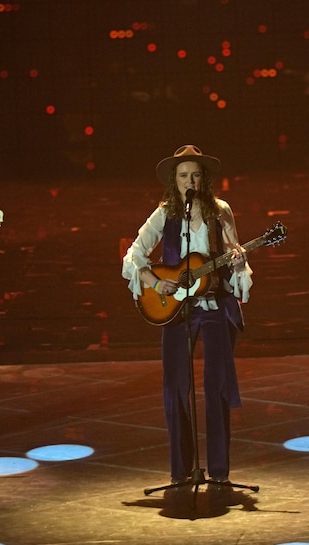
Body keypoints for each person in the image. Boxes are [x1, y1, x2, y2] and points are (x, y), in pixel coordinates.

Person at [122, 145, 251, 487]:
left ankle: (220, 471)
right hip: (177, 310)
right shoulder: (165, 213)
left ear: (203, 179)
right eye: (183, 175)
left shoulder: (220, 211)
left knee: (217, 386)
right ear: (174, 181)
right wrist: (154, 281)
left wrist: (239, 263)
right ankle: (181, 470)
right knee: (176, 386)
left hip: (213, 306)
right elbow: (133, 253)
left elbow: (235, 256)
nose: (189, 180)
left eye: (195, 174)